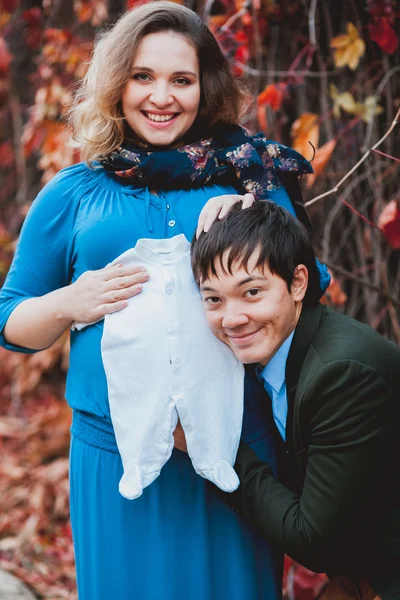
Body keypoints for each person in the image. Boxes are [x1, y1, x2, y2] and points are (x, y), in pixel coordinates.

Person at [0, 3, 323, 598]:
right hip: (114, 457)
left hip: (238, 451)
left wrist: (256, 232)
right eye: (143, 76)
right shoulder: (73, 193)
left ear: (207, 87)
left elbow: (311, 285)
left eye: (182, 79)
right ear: (116, 83)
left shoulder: (253, 182)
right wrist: (71, 303)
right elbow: (11, 321)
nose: (162, 96)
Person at [190, 200, 400, 600]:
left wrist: (213, 447)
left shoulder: (343, 374)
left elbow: (311, 540)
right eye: (214, 299)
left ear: (298, 283)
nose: (232, 318)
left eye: (251, 292)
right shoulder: (273, 353)